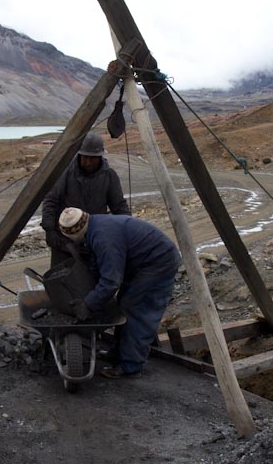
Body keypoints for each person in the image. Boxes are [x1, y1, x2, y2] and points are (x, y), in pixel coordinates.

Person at [58, 207, 181, 379]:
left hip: (158, 262)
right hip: (141, 262)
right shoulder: (95, 225)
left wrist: (88, 304)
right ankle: (118, 354)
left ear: (75, 235)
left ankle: (130, 366)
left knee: (136, 309)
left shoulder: (103, 238)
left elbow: (111, 282)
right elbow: (101, 265)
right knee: (123, 303)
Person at [41, 132, 130, 267]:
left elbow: (119, 206)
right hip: (65, 242)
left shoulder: (109, 176)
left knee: (93, 280)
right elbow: (51, 200)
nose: (88, 162)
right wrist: (49, 230)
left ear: (100, 156)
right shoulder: (66, 172)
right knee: (63, 280)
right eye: (85, 157)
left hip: (94, 239)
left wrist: (128, 228)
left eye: (93, 158)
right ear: (79, 155)